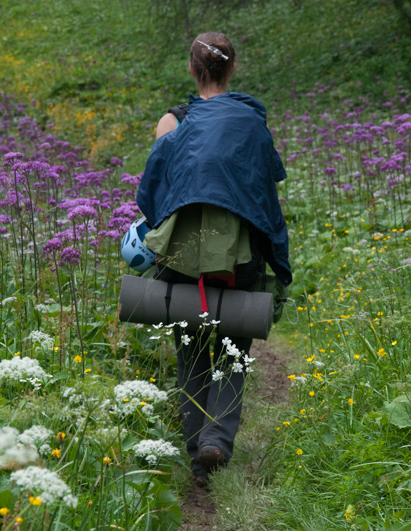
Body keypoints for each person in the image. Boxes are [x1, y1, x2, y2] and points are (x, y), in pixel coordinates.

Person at [137, 32, 291, 487]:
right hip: (238, 259)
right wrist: (277, 260)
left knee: (190, 351)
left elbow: (151, 195)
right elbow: (266, 195)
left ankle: (197, 463)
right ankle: (217, 441)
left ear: (191, 69)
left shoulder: (173, 126)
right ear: (233, 68)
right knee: (234, 349)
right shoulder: (251, 124)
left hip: (181, 258)